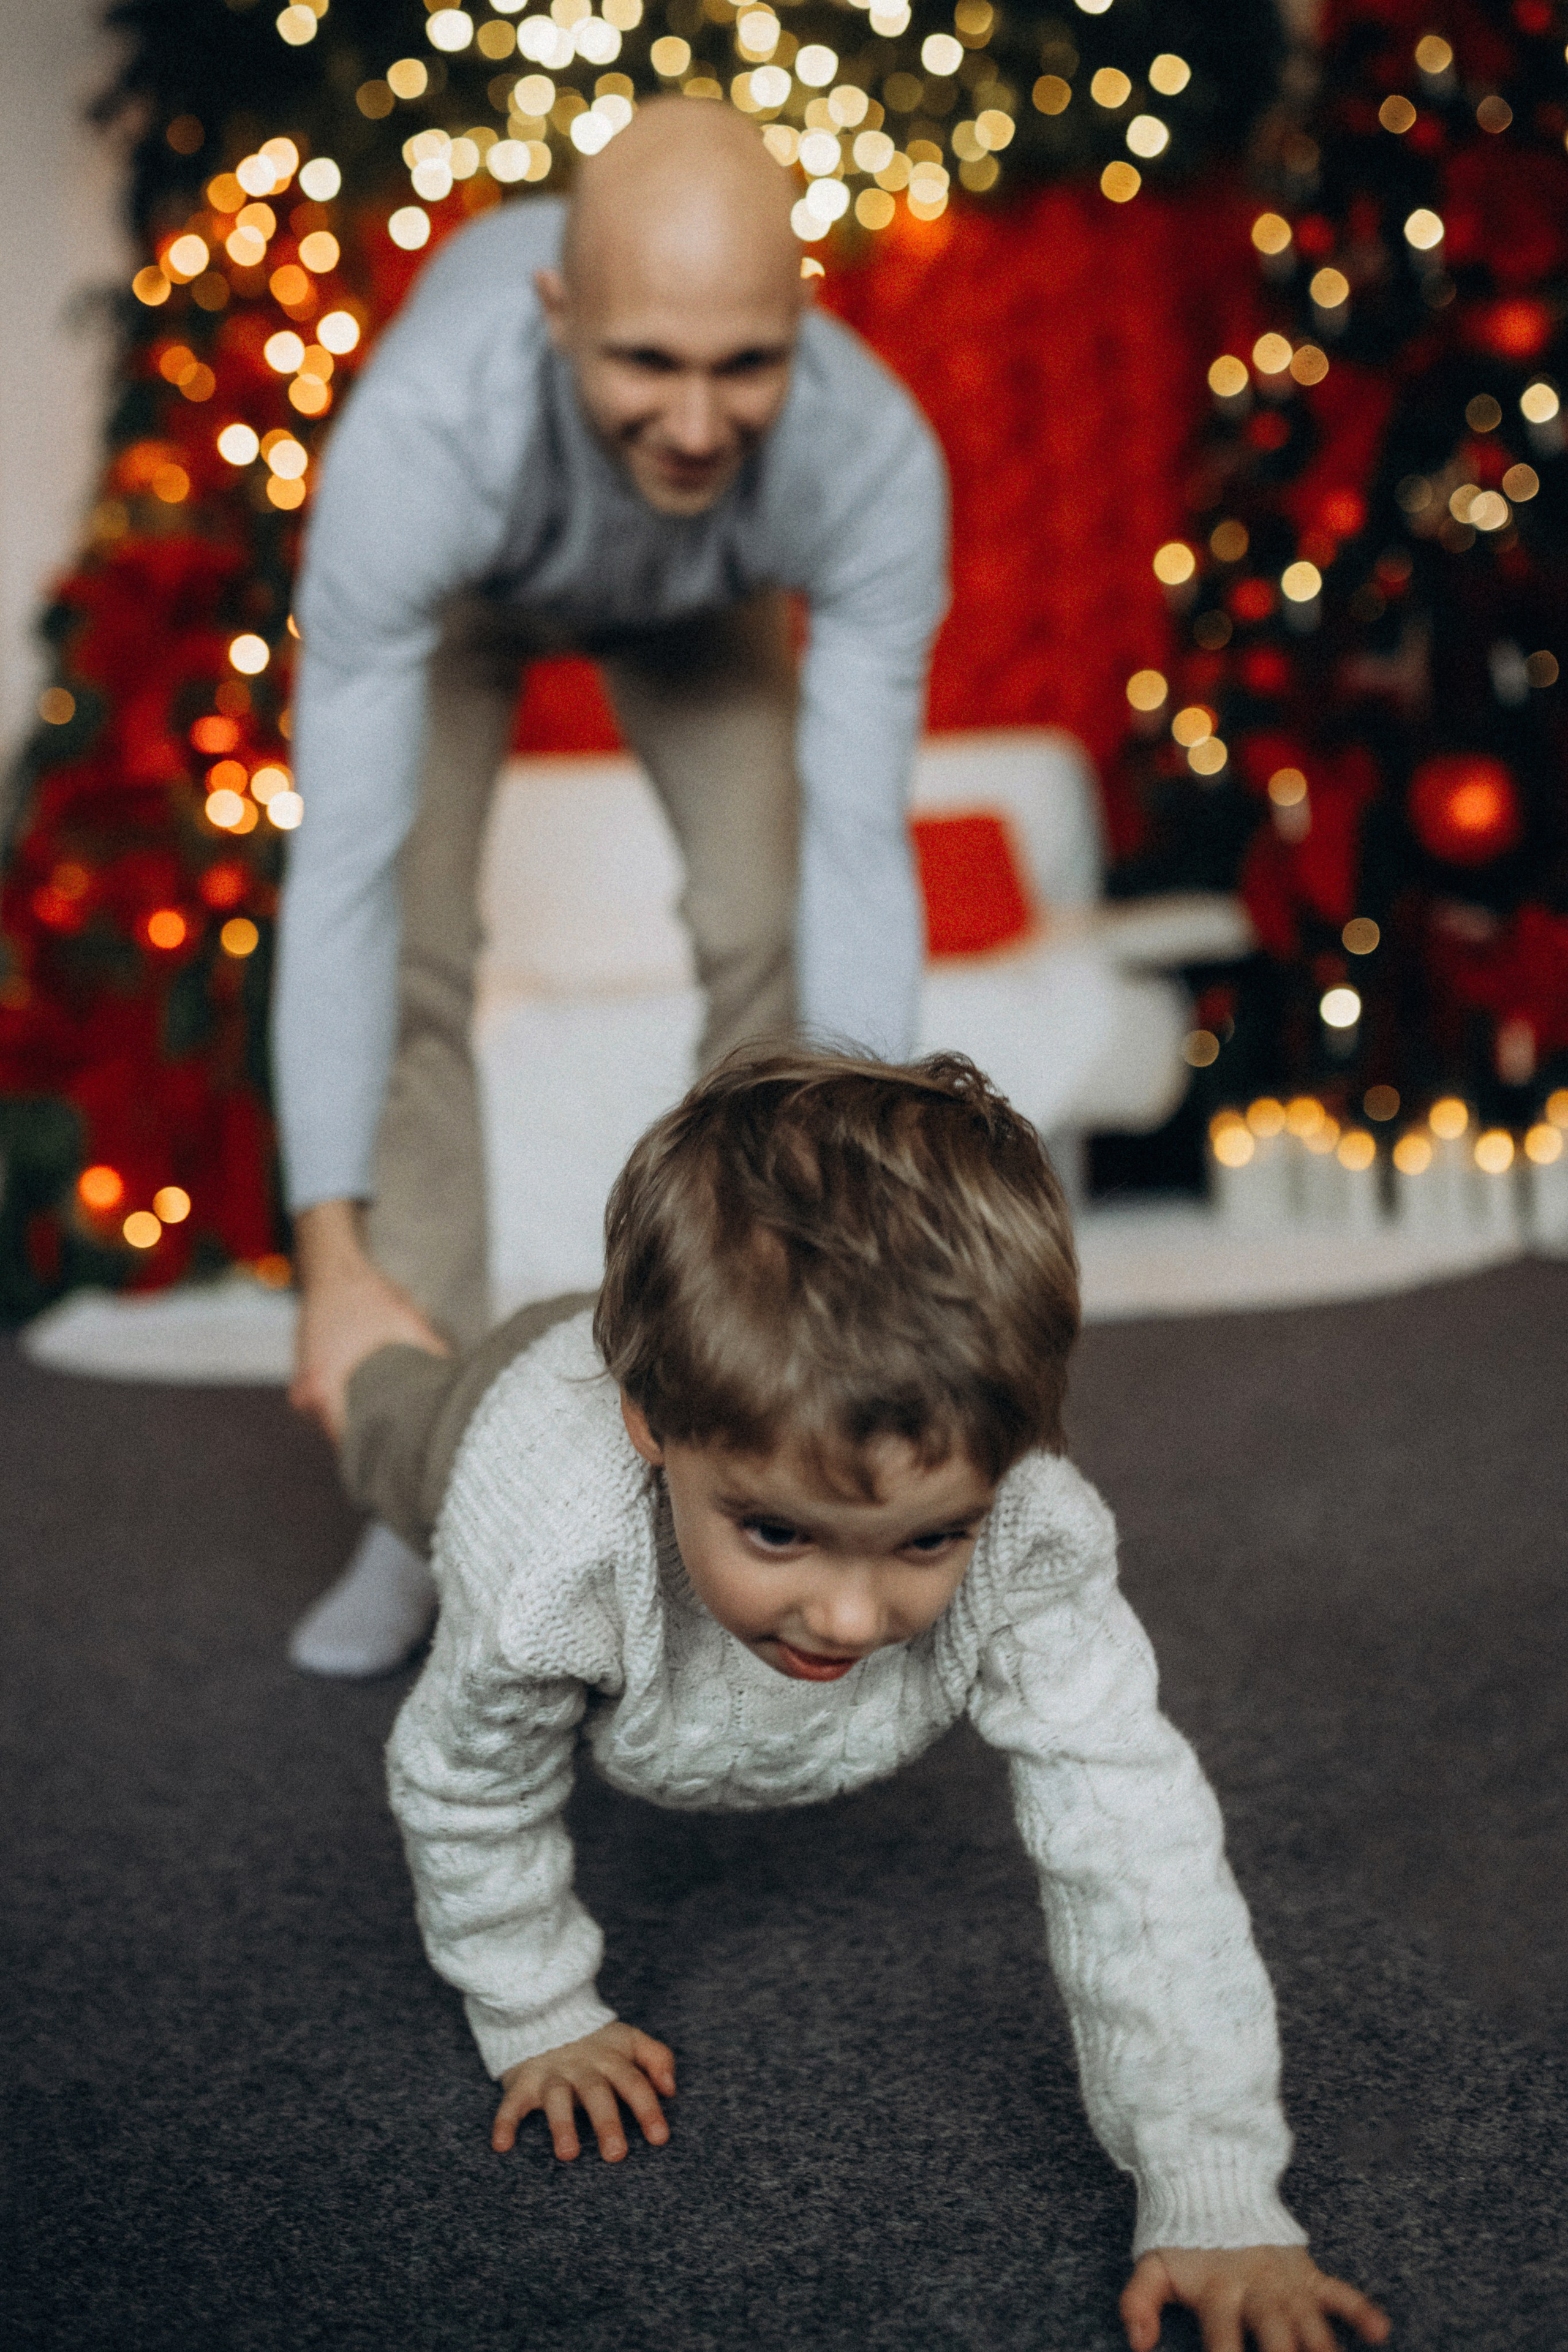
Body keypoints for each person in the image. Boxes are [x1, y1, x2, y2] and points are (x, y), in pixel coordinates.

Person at [337, 1049, 1390, 2352]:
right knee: (379, 1430)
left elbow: (1136, 1847)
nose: (848, 1618)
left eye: (924, 1540)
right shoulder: (549, 1558)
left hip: (671, 1371)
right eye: (778, 1533)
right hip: (485, 1418)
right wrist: (535, 2008)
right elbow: (463, 1777)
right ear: (651, 1428)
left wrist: (1214, 2192)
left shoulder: (1032, 1539)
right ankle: (353, 1353)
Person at [274, 100, 949, 1675]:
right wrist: (327, 1261)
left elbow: (856, 851)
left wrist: (864, 1222)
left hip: (701, 596)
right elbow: (349, 884)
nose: (700, 422)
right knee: (421, 962)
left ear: (806, 331)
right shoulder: (423, 437)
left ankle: (761, 1438)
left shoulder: (865, 457)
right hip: (474, 591)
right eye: (646, 361)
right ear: (555, 317)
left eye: (747, 366)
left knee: (766, 930)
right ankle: (412, 1496)